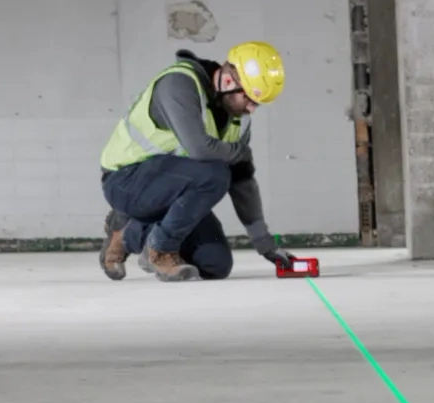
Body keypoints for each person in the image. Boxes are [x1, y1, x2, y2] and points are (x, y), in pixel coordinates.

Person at [97, 41, 300, 282]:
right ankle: (159, 250)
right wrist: (240, 156)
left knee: (216, 264)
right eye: (249, 99)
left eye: (257, 104)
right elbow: (199, 149)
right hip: (127, 182)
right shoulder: (178, 85)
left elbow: (242, 181)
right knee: (215, 174)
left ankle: (125, 235)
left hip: (172, 192)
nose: (252, 109)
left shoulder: (239, 119)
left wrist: (265, 244)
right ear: (228, 81)